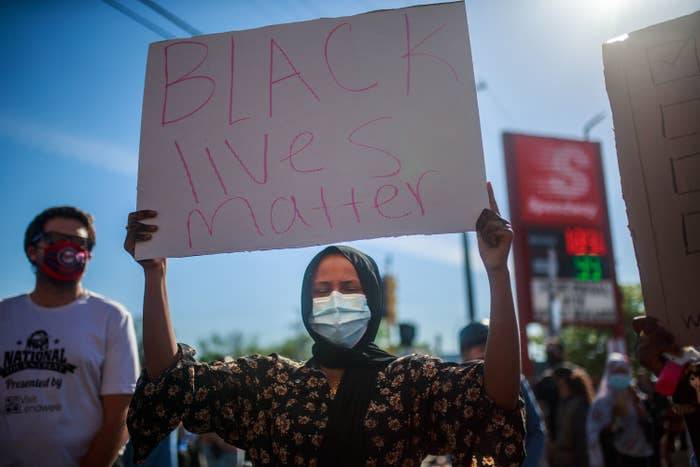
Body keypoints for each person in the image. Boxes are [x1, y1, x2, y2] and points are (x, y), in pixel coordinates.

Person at [124, 184, 526, 466]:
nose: (335, 299)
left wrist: (497, 272)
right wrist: (154, 275)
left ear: (372, 298)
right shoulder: (270, 383)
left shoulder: (410, 380)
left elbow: (499, 395)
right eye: (322, 290)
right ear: (305, 303)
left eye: (349, 287)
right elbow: (171, 383)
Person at [0, 206, 140, 466]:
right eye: (55, 240)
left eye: (78, 242)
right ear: (33, 251)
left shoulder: (112, 318)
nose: (68, 248)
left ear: (88, 254)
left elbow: (119, 416)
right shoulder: (4, 315)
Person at [459, 321, 546, 467]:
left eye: (488, 345)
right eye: (479, 347)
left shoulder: (515, 381)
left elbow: (536, 430)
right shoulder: (458, 387)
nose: (484, 352)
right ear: (465, 353)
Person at [586, 352, 654, 467]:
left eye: (623, 372)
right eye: (617, 372)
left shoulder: (636, 396)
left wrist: (636, 402)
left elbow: (648, 423)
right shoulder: (601, 402)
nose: (620, 376)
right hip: (616, 456)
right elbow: (596, 433)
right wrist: (614, 417)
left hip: (641, 454)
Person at [548, 364, 594, 467]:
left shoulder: (579, 405)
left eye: (556, 379)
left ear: (562, 380)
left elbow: (582, 441)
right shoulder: (562, 403)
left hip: (574, 460)